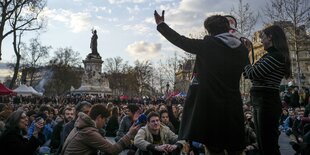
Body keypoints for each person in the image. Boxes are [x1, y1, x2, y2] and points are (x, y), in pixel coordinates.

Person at [154, 10, 249, 154]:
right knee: (234, 148)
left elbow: (180, 40)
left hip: (210, 106)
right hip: (233, 105)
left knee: (213, 148)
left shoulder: (208, 44)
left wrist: (161, 24)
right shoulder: (242, 48)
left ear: (209, 31)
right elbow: (247, 72)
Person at [243, 25, 292, 155]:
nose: (261, 41)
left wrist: (246, 55)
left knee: (268, 144)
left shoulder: (275, 56)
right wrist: (250, 68)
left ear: (270, 38)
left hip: (266, 102)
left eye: (263, 37)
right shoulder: (270, 56)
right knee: (263, 143)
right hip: (262, 101)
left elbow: (252, 73)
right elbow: (250, 74)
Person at [61, 104, 140, 155]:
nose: (104, 123)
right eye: (105, 120)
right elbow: (113, 150)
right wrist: (130, 134)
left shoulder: (82, 126)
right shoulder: (88, 131)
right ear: (99, 117)